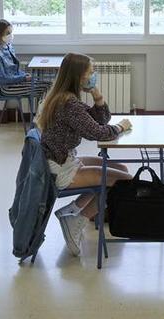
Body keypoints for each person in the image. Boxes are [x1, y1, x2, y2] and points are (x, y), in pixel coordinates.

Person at [36, 53, 132, 256]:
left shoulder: (65, 97)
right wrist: (121, 128)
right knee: (124, 181)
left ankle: (71, 210)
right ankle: (77, 219)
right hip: (61, 169)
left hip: (63, 159)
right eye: (91, 73)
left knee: (120, 169)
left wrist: (96, 93)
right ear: (78, 76)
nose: (94, 75)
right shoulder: (68, 104)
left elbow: (101, 119)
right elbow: (98, 132)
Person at [0, 19, 51, 99]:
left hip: (17, 82)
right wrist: (23, 78)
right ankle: (42, 111)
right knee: (47, 88)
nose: (10, 35)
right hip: (8, 87)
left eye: (11, 32)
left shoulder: (8, 47)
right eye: (7, 33)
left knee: (50, 85)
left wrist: (24, 75)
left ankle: (43, 111)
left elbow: (14, 70)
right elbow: (3, 79)